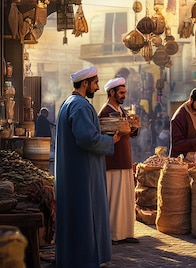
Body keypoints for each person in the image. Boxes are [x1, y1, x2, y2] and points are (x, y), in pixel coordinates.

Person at [55, 66, 120, 267]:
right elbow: (86, 139)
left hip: (74, 172)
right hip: (83, 174)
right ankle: (84, 260)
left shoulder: (69, 103)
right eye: (95, 82)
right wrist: (111, 141)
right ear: (85, 84)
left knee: (72, 218)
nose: (98, 87)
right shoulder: (80, 106)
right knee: (84, 218)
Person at [98, 77, 140, 245]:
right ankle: (112, 234)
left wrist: (134, 125)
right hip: (112, 162)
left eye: (125, 93)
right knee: (114, 199)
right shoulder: (106, 112)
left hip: (124, 160)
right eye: (121, 93)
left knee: (126, 199)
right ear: (112, 93)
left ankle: (125, 233)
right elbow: (105, 136)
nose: (124, 96)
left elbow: (129, 133)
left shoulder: (121, 111)